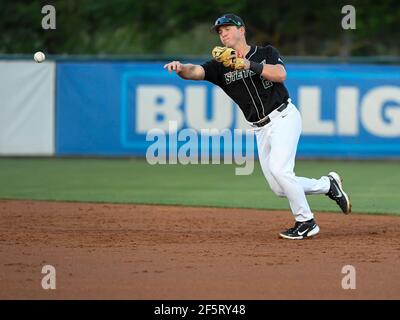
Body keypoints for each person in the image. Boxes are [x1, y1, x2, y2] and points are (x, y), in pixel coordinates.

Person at [163, 13, 351, 240]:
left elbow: (280, 75)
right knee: (280, 188)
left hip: (283, 117)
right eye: (220, 32)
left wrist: (246, 64)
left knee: (282, 171)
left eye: (227, 28)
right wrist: (180, 67)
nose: (223, 34)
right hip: (259, 128)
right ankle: (327, 185)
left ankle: (306, 222)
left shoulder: (265, 53)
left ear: (242, 30)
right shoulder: (220, 66)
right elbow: (195, 71)